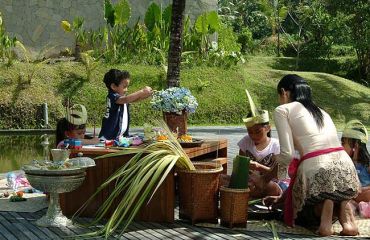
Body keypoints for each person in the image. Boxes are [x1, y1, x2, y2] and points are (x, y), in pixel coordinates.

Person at [268, 74, 360, 236]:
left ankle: (325, 215)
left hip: (317, 169)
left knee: (301, 213)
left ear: (284, 92)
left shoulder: (282, 110)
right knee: (336, 193)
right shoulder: (322, 112)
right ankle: (347, 222)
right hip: (346, 168)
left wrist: (274, 159)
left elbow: (287, 155)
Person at [98, 69, 152, 140]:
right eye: (124, 87)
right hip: (109, 137)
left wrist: (145, 95)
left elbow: (133, 99)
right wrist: (142, 92)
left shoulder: (122, 99)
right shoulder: (112, 96)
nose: (126, 89)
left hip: (119, 137)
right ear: (113, 86)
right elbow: (126, 99)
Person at [341, 120, 370, 203]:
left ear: (356, 145)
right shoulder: (345, 164)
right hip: (353, 197)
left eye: (343, 143)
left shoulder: (367, 164)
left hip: (365, 194)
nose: (341, 146)